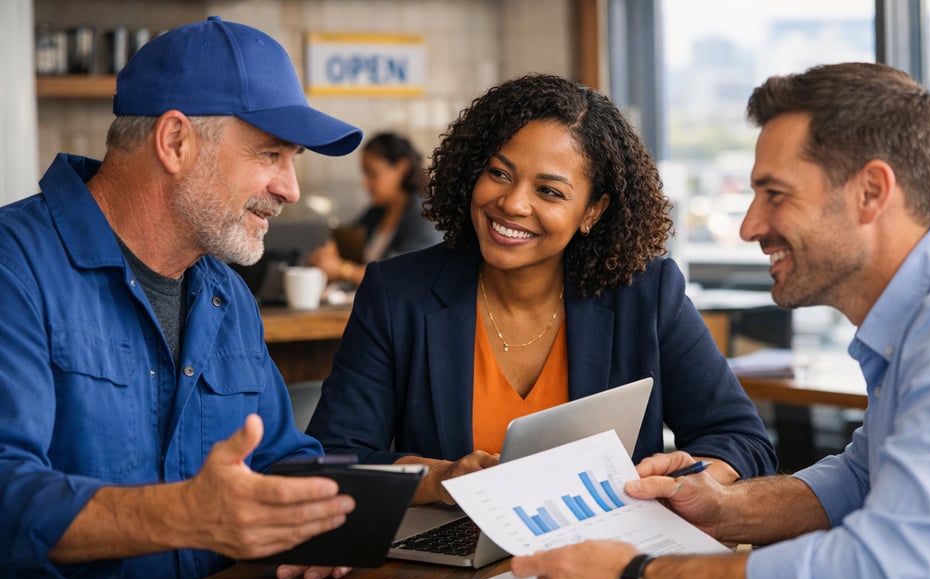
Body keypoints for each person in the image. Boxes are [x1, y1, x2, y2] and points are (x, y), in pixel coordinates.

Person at [511, 62, 930, 579]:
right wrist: (728, 507)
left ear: (872, 192)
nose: (750, 226)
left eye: (775, 194)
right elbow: (862, 478)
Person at [0, 17, 366, 579]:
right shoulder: (14, 267)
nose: (291, 188)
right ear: (175, 140)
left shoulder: (226, 294)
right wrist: (186, 515)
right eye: (270, 154)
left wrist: (411, 486)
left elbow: (279, 455)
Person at [307, 73, 777, 506]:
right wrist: (439, 479)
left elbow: (741, 441)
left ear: (593, 210)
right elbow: (335, 457)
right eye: (499, 173)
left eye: (549, 192)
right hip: (446, 562)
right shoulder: (398, 294)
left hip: (604, 556)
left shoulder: (646, 295)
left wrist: (688, 481)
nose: (512, 203)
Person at [307, 132, 441, 285]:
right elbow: (345, 245)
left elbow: (405, 275)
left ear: (402, 168)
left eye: (372, 174)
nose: (365, 183)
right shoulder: (375, 213)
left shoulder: (424, 215)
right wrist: (329, 253)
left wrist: (344, 270)